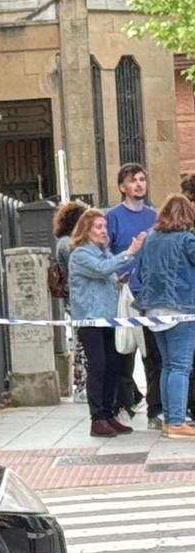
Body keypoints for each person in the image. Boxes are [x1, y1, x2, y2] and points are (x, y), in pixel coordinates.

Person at [68, 207, 145, 437]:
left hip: (109, 319)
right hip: (91, 320)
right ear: (86, 231)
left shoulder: (105, 253)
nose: (104, 231)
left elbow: (108, 274)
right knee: (99, 367)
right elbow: (102, 270)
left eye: (104, 227)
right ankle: (97, 417)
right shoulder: (81, 255)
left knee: (114, 366)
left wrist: (119, 281)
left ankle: (109, 413)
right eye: (98, 227)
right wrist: (129, 252)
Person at [131, 195, 195, 439]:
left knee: (168, 365)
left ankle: (169, 418)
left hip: (153, 310)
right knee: (180, 366)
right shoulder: (187, 240)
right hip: (182, 310)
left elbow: (142, 271)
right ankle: (178, 422)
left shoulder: (150, 239)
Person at [108, 165, 161, 424]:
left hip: (151, 295)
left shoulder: (154, 217)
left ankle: (155, 410)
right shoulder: (113, 217)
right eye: (133, 181)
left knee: (152, 355)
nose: (139, 184)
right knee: (123, 352)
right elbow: (104, 251)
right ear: (122, 187)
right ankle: (123, 405)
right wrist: (116, 275)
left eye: (142, 179)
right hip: (124, 293)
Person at [53, 201, 88, 402]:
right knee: (81, 343)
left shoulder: (63, 242)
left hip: (72, 298)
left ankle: (81, 384)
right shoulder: (68, 244)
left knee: (80, 341)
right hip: (77, 299)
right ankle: (81, 385)